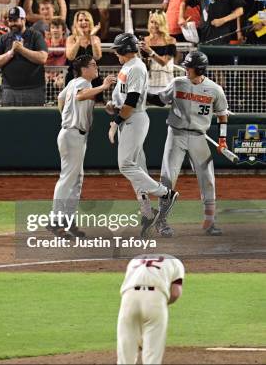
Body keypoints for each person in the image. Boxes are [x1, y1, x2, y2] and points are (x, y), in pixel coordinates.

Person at [147, 51, 229, 237]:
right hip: (176, 135)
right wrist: (140, 94)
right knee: (168, 178)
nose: (185, 69)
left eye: (188, 66)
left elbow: (222, 115)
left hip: (199, 137)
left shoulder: (215, 89)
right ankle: (161, 221)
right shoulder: (178, 83)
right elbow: (160, 100)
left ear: (198, 69)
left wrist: (222, 139)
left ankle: (209, 222)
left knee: (208, 178)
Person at [107, 33, 179, 236]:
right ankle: (147, 212)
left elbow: (132, 100)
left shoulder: (137, 67)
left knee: (126, 165)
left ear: (123, 50)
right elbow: (122, 98)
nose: (115, 53)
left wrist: (116, 122)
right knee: (138, 168)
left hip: (134, 120)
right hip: (127, 119)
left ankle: (166, 194)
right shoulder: (127, 67)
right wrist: (112, 106)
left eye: (117, 50)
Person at [51, 55, 116, 238]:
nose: (96, 68)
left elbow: (60, 98)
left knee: (76, 180)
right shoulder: (84, 83)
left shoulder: (73, 82)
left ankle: (69, 222)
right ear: (84, 69)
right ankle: (55, 221)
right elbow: (80, 96)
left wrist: (65, 117)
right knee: (67, 179)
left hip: (72, 134)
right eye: (93, 65)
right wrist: (103, 86)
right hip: (72, 135)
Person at [117, 254, 185, 365]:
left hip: (128, 298)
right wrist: (163, 304)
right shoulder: (175, 262)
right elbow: (175, 293)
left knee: (126, 347)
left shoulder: (134, 260)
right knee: (153, 351)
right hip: (156, 298)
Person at [0, 6, 48, 106]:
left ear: (24, 20)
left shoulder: (36, 36)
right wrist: (11, 52)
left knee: (34, 121)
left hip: (33, 89)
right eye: (10, 20)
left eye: (15, 20)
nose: (13, 23)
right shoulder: (3, 39)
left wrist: (22, 50)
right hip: (9, 90)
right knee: (9, 121)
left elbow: (43, 58)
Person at [140, 11, 177, 94]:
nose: (153, 25)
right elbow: (142, 62)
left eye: (156, 23)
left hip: (165, 83)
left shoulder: (171, 40)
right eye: (152, 22)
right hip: (148, 83)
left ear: (162, 23)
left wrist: (150, 51)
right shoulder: (145, 40)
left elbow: (163, 62)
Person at [64, 10, 102, 86]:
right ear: (76, 23)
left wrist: (91, 36)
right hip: (74, 77)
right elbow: (70, 57)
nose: (83, 22)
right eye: (80, 20)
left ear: (90, 22)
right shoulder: (71, 39)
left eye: (86, 20)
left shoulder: (95, 39)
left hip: (93, 78)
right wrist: (79, 39)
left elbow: (97, 57)